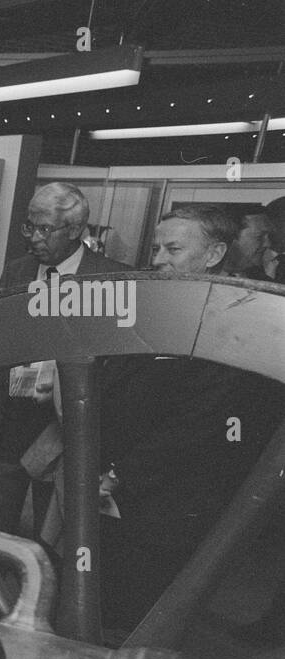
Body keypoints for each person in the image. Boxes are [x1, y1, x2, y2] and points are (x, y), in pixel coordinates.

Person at [99, 204, 283, 632]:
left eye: (174, 248)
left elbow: (198, 422)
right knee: (103, 599)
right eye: (157, 247)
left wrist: (118, 473)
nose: (160, 258)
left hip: (168, 505)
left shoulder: (234, 322)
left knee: (138, 620)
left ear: (215, 254)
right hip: (118, 489)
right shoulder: (161, 307)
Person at [0, 182, 127, 537]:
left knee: (56, 529)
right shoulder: (16, 272)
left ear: (76, 230)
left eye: (44, 229)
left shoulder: (111, 278)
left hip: (69, 431)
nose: (32, 238)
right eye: (28, 226)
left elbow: (118, 362)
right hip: (12, 422)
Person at [225, 206, 272, 279]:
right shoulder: (203, 279)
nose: (268, 244)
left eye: (269, 236)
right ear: (231, 238)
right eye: (259, 237)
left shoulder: (265, 281)